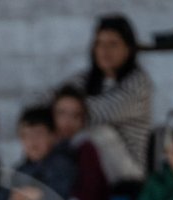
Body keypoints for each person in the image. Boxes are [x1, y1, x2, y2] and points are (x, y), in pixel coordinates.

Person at [63, 15, 153, 183]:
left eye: (113, 44)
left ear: (128, 49)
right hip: (94, 164)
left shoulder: (138, 82)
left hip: (128, 171)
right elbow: (49, 99)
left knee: (99, 133)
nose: (105, 51)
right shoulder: (85, 79)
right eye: (99, 44)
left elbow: (97, 113)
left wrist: (62, 114)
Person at [51, 86, 113, 200]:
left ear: (83, 121)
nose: (67, 121)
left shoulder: (86, 150)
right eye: (61, 113)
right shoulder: (45, 148)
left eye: (75, 116)